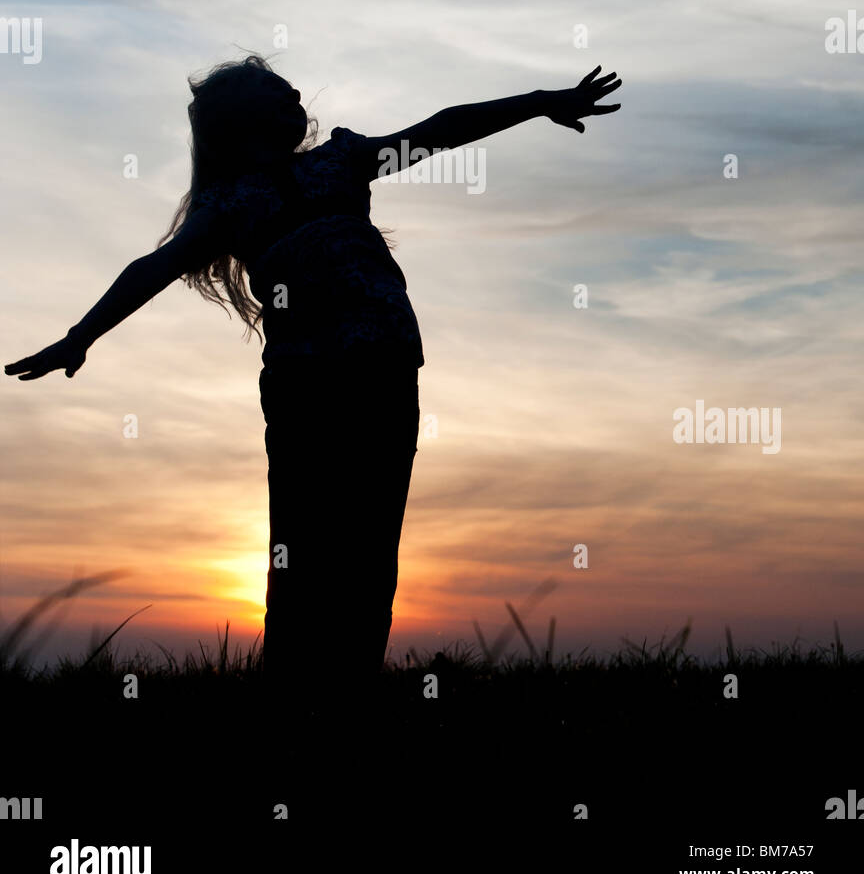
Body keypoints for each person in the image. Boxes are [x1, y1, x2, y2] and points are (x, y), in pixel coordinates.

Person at [5, 56, 622, 723]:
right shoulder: (226, 205)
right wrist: (81, 334)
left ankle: (348, 697)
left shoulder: (342, 162)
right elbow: (153, 267)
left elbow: (441, 129)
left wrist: (537, 102)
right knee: (301, 547)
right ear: (243, 120)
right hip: (305, 385)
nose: (296, 96)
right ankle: (291, 700)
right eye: (278, 92)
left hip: (384, 372)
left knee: (370, 545)